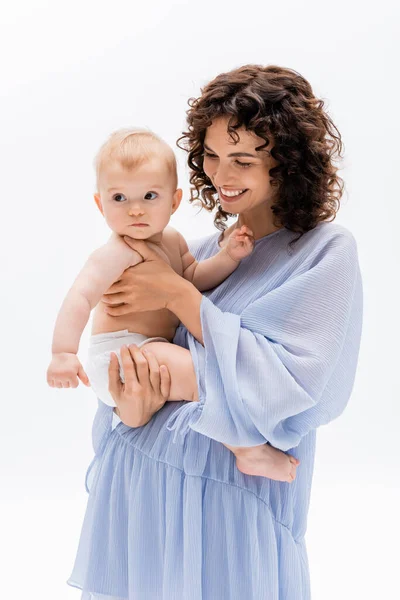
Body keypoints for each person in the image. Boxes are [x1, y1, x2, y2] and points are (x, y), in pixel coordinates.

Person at [67, 65, 363, 600]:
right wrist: (130, 404)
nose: (221, 173)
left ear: (287, 163)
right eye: (210, 156)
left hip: (231, 512)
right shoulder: (200, 252)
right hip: (146, 492)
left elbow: (294, 385)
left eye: (243, 159)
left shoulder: (325, 253)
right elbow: (123, 358)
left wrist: (176, 294)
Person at [46, 127, 299, 482]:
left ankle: (140, 420)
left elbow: (193, 279)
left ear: (174, 201)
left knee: (204, 370)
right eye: (119, 198)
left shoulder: (172, 240)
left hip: (150, 352)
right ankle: (247, 449)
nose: (135, 210)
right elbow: (80, 297)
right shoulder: (116, 253)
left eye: (149, 195)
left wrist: (229, 257)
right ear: (100, 204)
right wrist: (63, 353)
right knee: (206, 371)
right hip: (120, 356)